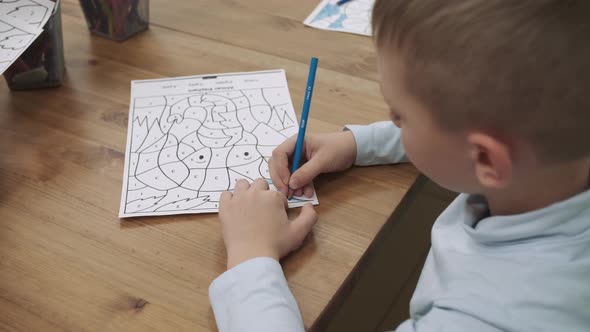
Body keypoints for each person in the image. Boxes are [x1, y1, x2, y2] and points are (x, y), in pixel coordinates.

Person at [208, 0, 590, 331]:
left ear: (488, 160)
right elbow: (470, 130)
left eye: (400, 115)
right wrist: (358, 143)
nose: (391, 121)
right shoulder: (560, 152)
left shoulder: (488, 318)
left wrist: (250, 257)